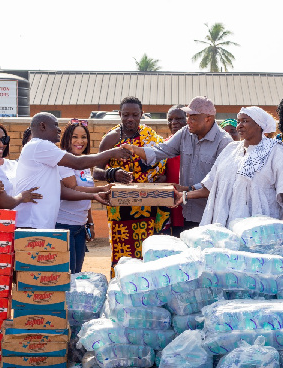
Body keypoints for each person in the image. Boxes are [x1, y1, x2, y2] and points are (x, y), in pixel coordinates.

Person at [120, 96, 233, 234]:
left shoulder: (224, 142)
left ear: (208, 118)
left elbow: (217, 182)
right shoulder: (186, 133)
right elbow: (161, 150)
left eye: (193, 118)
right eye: (188, 117)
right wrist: (135, 149)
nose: (188, 121)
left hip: (211, 215)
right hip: (188, 211)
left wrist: (188, 189)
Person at [177, 106, 283, 226]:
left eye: (245, 121)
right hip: (229, 225)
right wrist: (184, 195)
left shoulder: (275, 151)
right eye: (239, 121)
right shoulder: (230, 149)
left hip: (262, 228)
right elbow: (211, 185)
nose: (239, 125)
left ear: (259, 125)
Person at [14, 112, 131, 229]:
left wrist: (97, 193)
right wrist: (111, 153)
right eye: (55, 125)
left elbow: (62, 190)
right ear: (43, 126)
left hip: (39, 222)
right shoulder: (40, 146)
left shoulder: (46, 151)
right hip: (32, 223)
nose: (59, 129)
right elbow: (78, 163)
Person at [93, 97, 167, 276]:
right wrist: (113, 173)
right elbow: (95, 171)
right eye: (126, 115)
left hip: (147, 207)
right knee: (121, 256)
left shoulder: (151, 138)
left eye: (135, 114)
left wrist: (156, 180)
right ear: (119, 115)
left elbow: (163, 167)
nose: (130, 119)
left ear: (142, 115)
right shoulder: (110, 139)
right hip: (120, 210)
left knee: (147, 254)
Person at [56, 119, 112, 273]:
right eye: (75, 137)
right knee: (69, 275)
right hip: (63, 226)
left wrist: (90, 223)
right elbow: (73, 189)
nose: (80, 141)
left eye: (84, 137)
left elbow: (85, 197)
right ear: (67, 139)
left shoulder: (84, 165)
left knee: (77, 272)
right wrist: (100, 190)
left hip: (80, 227)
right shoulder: (64, 161)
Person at [164, 105, 187, 236]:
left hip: (189, 202)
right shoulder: (163, 146)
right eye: (170, 119)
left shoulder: (196, 145)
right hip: (169, 204)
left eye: (179, 118)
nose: (174, 123)